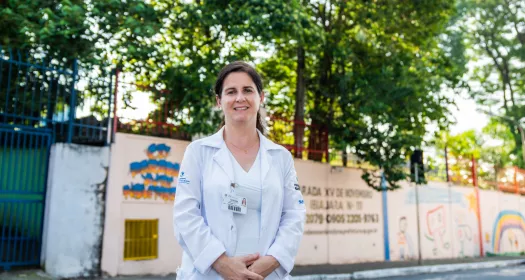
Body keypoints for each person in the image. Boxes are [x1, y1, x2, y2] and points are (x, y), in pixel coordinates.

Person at [173, 61, 306, 279]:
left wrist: (273, 260)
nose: (239, 98)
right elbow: (185, 215)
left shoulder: (280, 157)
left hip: (265, 275)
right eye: (231, 92)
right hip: (209, 274)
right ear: (219, 101)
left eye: (247, 90)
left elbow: (294, 214)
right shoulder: (198, 153)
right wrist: (222, 263)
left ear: (260, 97)